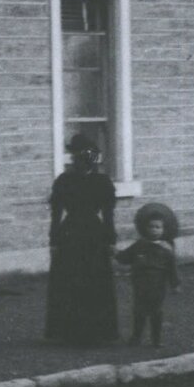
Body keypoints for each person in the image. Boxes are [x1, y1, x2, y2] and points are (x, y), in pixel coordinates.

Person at [44, 133, 121, 346]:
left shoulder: (102, 182)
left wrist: (111, 240)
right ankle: (70, 331)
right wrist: (53, 241)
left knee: (94, 280)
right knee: (70, 281)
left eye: (88, 155)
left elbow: (108, 215)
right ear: (73, 157)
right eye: (78, 155)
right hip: (70, 234)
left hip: (94, 236)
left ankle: (96, 331)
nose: (83, 159)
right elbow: (56, 214)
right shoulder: (64, 181)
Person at [116, 203, 180, 350]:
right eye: (151, 227)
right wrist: (115, 253)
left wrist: (175, 284)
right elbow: (126, 257)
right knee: (139, 311)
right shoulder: (140, 245)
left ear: (164, 229)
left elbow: (172, 268)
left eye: (158, 227)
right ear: (144, 228)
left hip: (157, 286)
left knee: (156, 312)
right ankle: (136, 337)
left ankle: (156, 340)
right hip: (140, 285)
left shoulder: (166, 248)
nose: (154, 230)